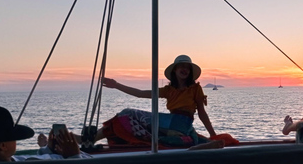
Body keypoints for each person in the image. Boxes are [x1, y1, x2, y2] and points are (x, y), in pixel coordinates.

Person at [92, 55, 228, 149]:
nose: (184, 69)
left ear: (190, 71)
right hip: (170, 123)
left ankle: (91, 138)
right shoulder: (168, 90)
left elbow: (202, 113)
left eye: (187, 67)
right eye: (181, 66)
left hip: (182, 124)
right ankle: (90, 138)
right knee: (124, 116)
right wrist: (116, 85)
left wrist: (212, 134)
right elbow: (141, 94)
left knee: (126, 114)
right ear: (175, 70)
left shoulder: (195, 88)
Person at [0, 105, 92, 162]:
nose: (15, 141)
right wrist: (74, 156)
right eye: (12, 138)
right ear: (2, 146)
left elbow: (27, 159)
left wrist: (49, 149)